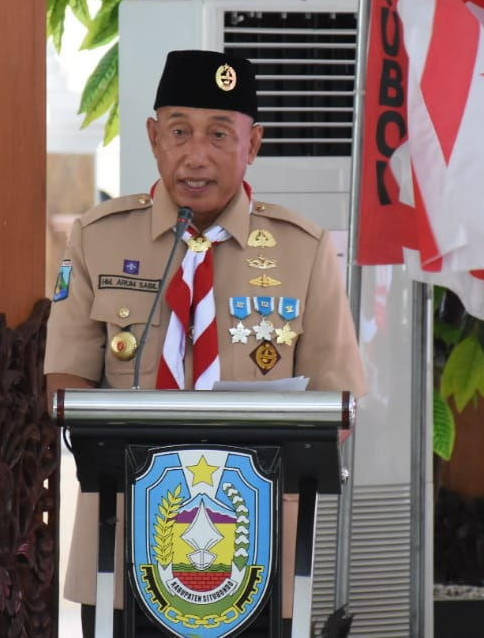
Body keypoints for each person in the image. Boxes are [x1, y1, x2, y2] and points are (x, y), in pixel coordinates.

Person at [45, 48, 367, 636]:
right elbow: (64, 387)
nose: (196, 155)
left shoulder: (304, 249)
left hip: (254, 548)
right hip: (119, 543)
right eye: (179, 132)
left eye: (220, 134)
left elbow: (338, 405)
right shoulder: (97, 239)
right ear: (152, 137)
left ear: (254, 144)